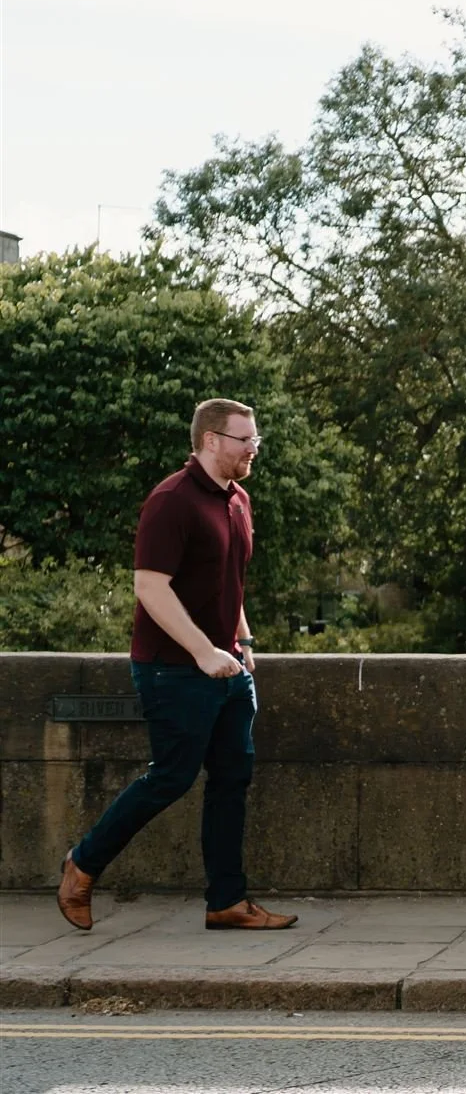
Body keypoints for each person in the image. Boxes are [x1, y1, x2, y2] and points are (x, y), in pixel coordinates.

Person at [58, 399, 297, 932]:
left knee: (232, 778)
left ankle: (227, 902)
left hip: (228, 668)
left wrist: (242, 639)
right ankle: (82, 864)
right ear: (212, 440)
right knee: (171, 777)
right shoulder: (171, 501)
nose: (254, 449)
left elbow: (228, 578)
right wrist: (202, 651)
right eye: (246, 440)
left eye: (256, 440)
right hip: (174, 668)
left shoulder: (238, 500)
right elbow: (151, 588)